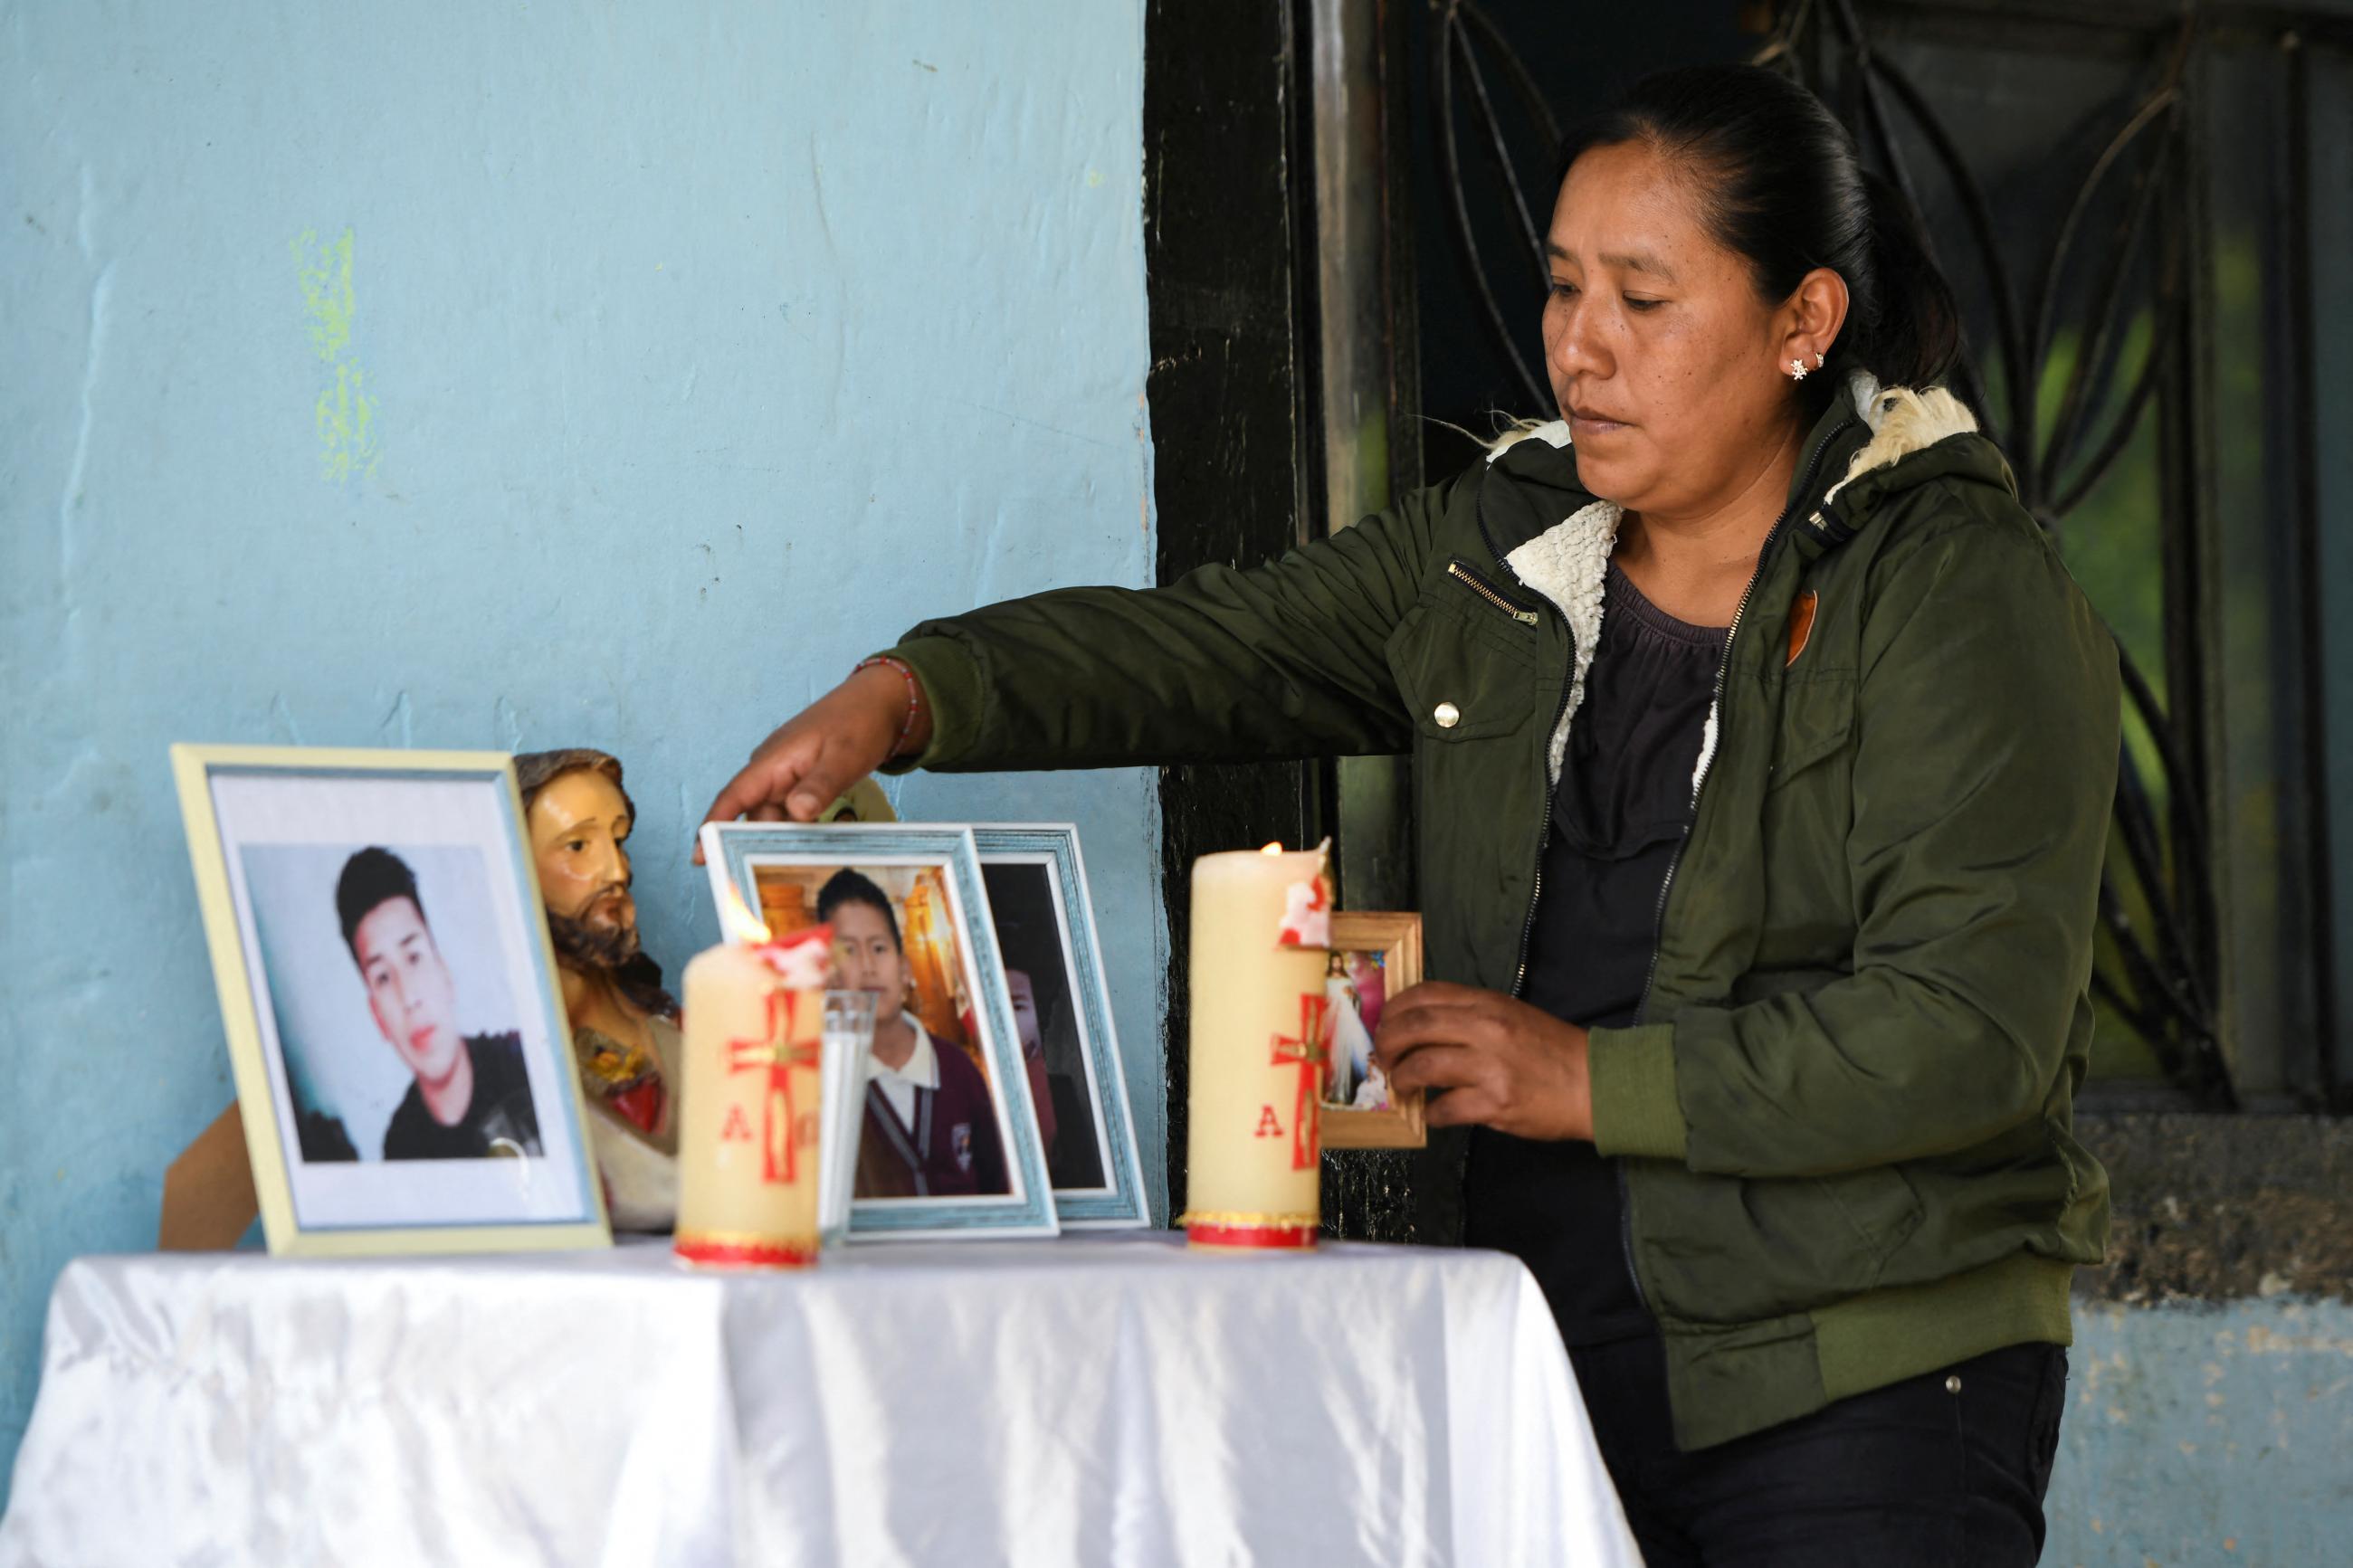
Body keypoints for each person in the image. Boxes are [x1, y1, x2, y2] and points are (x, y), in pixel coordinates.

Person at [701, 63, 2115, 1565]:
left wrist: (1585, 1079)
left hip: (1866, 1378)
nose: (1580, 347)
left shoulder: (1952, 586)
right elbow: (1222, 647)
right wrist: (911, 695)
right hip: (1538, 1353)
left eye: (1646, 300)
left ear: (1803, 323)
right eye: (1565, 286)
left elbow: (1968, 1028)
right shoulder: (1508, 546)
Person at [517, 747, 680, 1228]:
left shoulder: (672, 1029)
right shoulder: (511, 1044)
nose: (618, 871)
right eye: (577, 846)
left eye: (619, 840)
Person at [336, 846, 542, 1161]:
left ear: (444, 972)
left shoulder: (526, 1065)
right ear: (377, 1015)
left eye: (414, 957)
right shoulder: (400, 1150)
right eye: (383, 978)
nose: (409, 998)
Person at [822, 869, 1011, 1199]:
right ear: (832, 977)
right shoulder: (824, 1079)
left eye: (879, 948)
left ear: (905, 968)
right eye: (849, 951)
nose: (868, 966)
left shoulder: (957, 1068)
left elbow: (997, 1185)